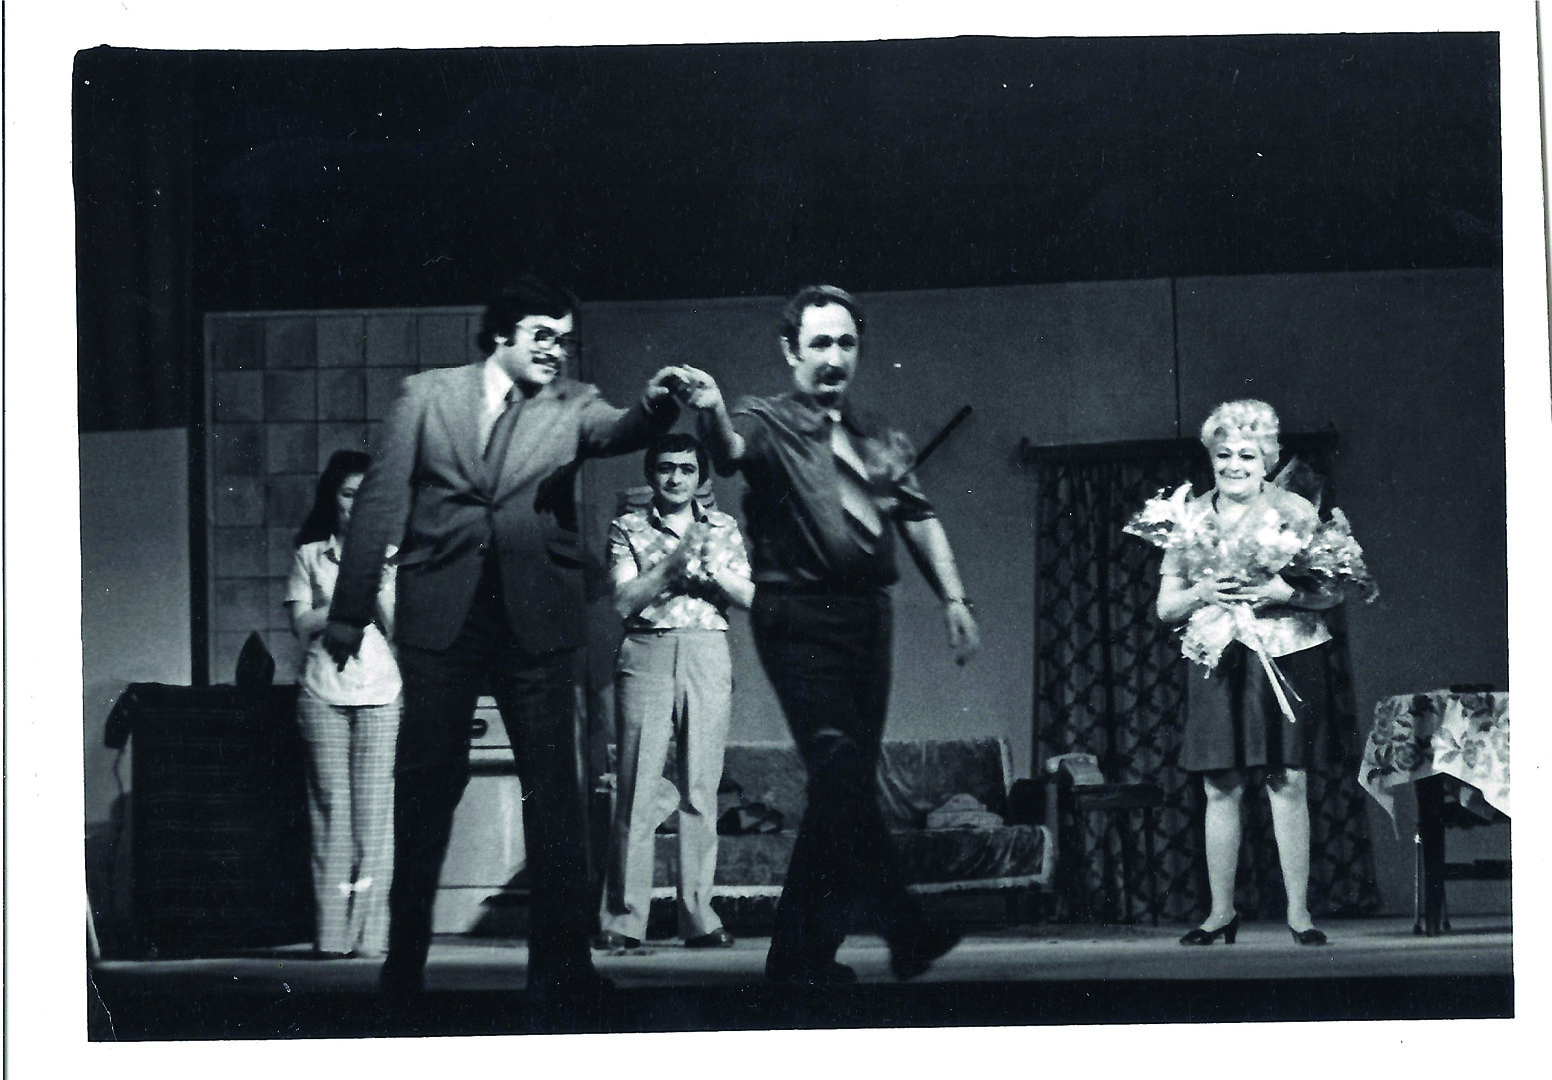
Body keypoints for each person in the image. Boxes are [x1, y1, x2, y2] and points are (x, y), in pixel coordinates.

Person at [322, 275, 691, 999]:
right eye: (542, 336)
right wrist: (349, 609)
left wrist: (656, 404)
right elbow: (381, 499)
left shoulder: (573, 403)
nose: (556, 350)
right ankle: (403, 969)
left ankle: (562, 969)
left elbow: (620, 429)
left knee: (555, 793)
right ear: (501, 335)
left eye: (564, 339)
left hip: (536, 617)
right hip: (443, 617)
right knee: (426, 789)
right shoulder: (426, 396)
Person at [687, 284, 981, 986]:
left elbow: (918, 516)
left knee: (836, 790)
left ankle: (798, 956)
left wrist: (954, 597)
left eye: (846, 342)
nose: (833, 357)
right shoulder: (764, 419)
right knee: (841, 771)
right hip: (798, 617)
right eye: (818, 343)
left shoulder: (879, 435)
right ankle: (905, 928)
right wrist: (709, 412)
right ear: (790, 351)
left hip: (867, 620)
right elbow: (728, 451)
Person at [1152, 400, 1346, 947]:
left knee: (1289, 779)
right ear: (1211, 457)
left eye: (1247, 455)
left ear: (1266, 460)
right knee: (1220, 784)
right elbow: (1165, 607)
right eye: (1224, 455)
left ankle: (1299, 914)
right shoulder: (1189, 516)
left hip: (1288, 654)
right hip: (1217, 654)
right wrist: (1201, 591)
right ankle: (1220, 913)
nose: (1234, 464)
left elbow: (1334, 590)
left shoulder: (1295, 510)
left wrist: (1287, 592)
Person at [594, 433, 754, 952]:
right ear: (651, 474)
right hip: (647, 650)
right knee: (636, 787)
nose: (676, 477)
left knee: (700, 788)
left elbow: (750, 596)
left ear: (701, 476)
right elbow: (623, 599)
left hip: (706, 649)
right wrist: (671, 564)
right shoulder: (628, 527)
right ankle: (624, 919)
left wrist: (713, 571)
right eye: (666, 467)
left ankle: (699, 916)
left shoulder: (723, 528)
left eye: (686, 469)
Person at [285, 449, 401, 959]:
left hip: (380, 692)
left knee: (374, 817)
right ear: (334, 498)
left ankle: (370, 935)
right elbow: (300, 623)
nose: (358, 505)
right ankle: (332, 936)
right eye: (350, 494)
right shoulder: (311, 555)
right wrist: (349, 599)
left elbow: (399, 628)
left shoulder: (392, 556)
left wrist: (378, 585)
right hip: (322, 692)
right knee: (331, 813)